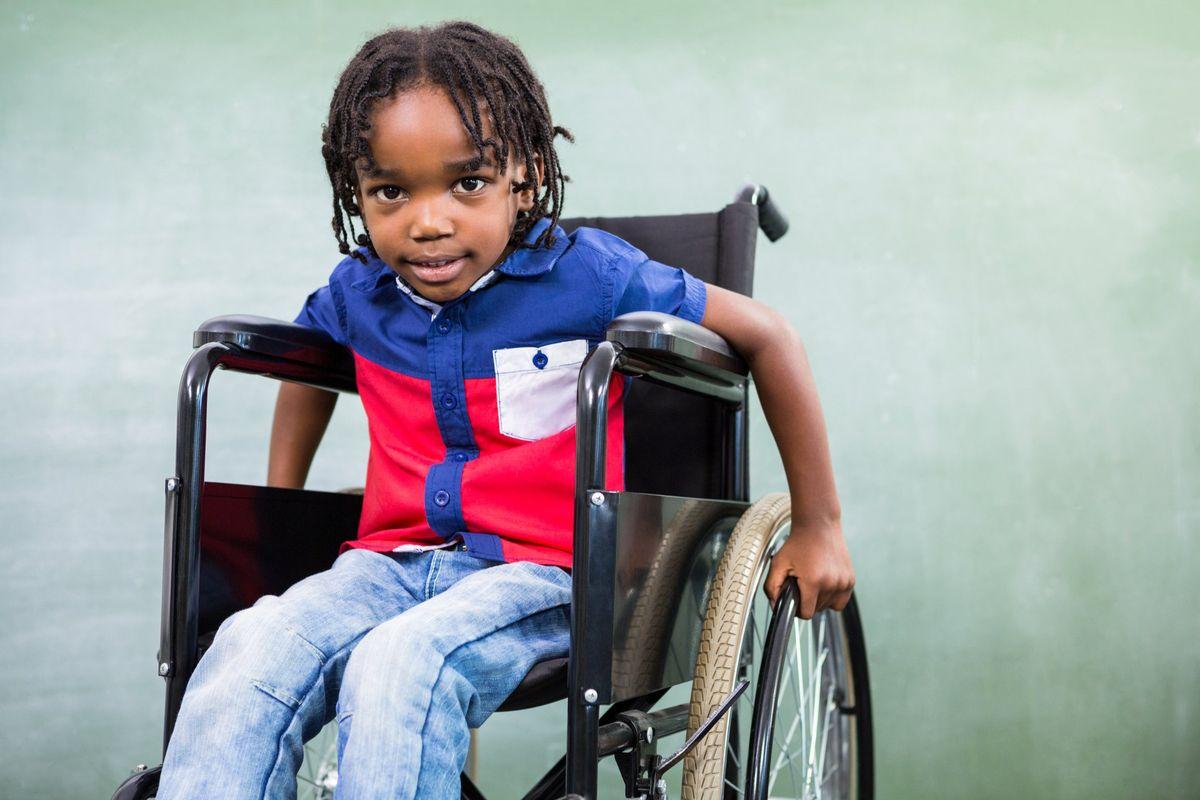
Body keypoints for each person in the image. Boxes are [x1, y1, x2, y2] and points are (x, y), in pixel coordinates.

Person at [156, 19, 854, 800]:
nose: (428, 221)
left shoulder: (590, 278)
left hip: (548, 575)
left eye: (468, 184)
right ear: (355, 192)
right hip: (387, 565)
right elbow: (304, 368)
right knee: (252, 645)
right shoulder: (361, 291)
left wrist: (819, 524)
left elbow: (769, 335)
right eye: (391, 191)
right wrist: (280, 510)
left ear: (524, 176)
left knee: (401, 663)